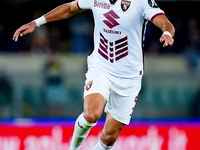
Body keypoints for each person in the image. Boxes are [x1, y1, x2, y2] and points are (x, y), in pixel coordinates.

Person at [13, 0, 175, 149]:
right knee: (91, 114)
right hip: (101, 67)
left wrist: (167, 33)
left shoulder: (140, 2)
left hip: (129, 76)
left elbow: (165, 22)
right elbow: (70, 8)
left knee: (110, 137)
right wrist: (37, 22)